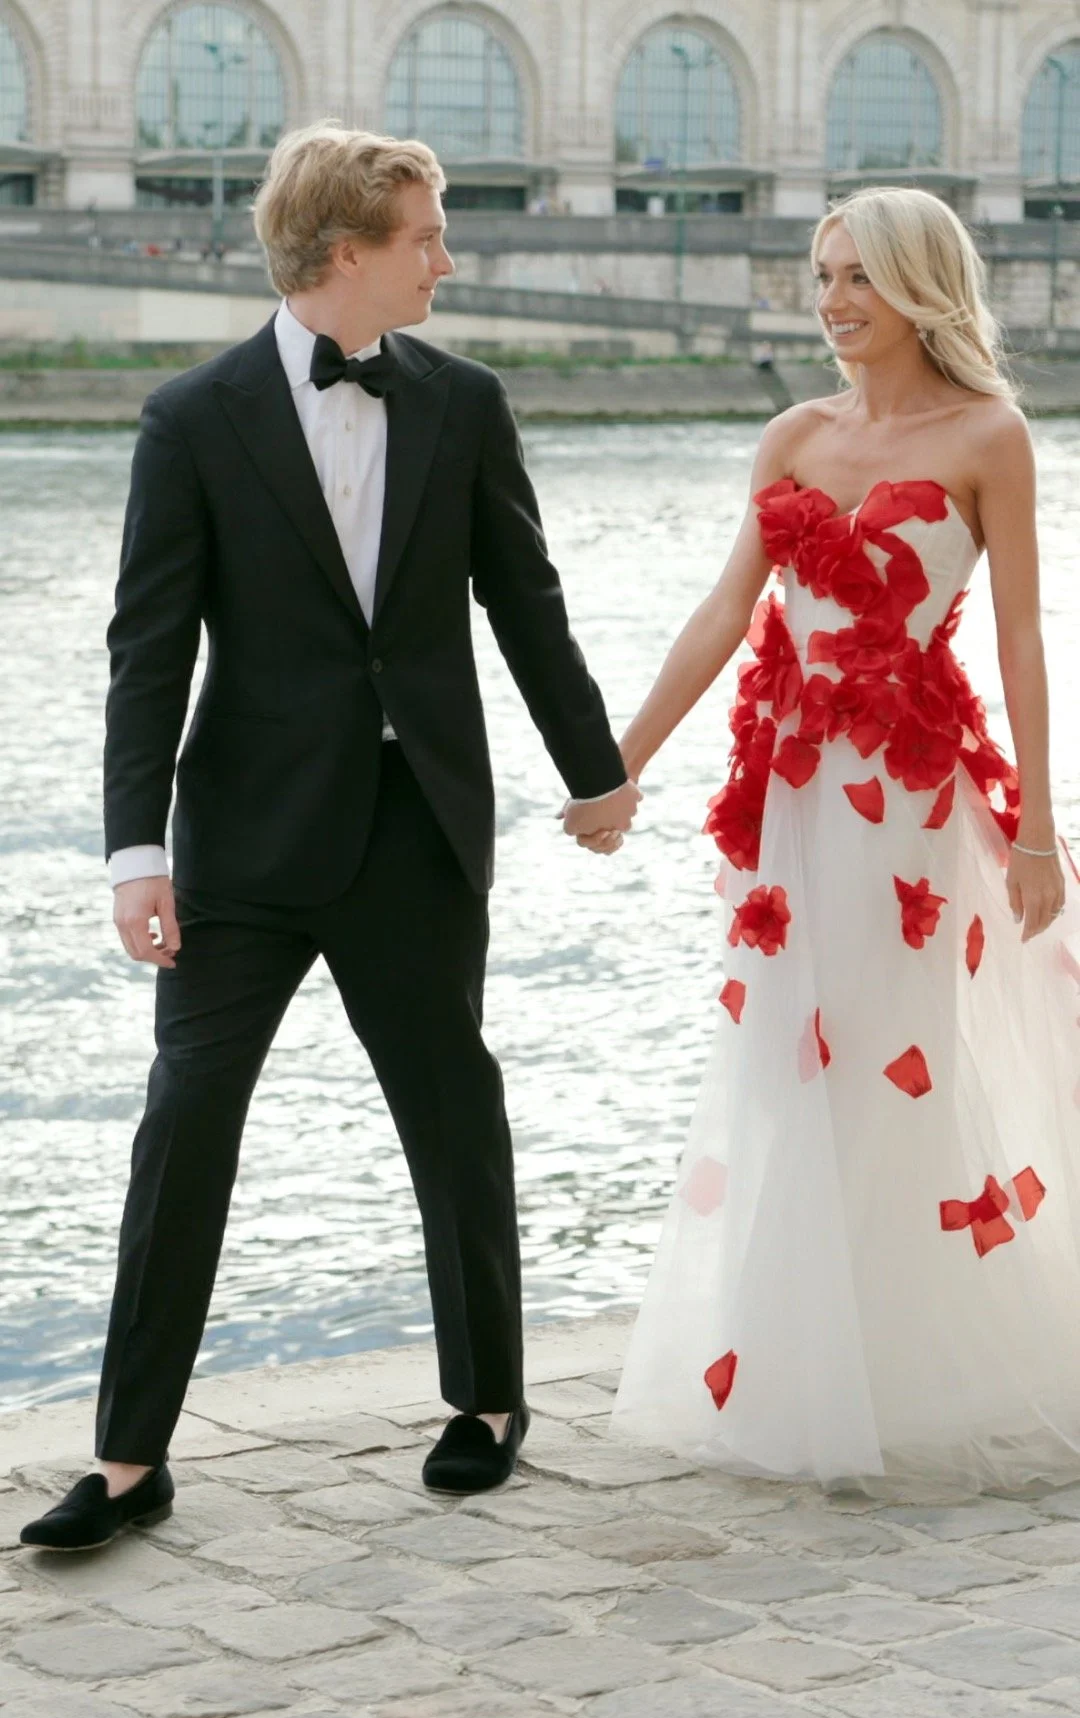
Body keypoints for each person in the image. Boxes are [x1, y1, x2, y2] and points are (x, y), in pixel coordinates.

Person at [20, 123, 638, 1553]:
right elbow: (146, 650)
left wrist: (594, 773)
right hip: (239, 844)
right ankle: (127, 1459)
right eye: (427, 235)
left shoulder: (466, 403)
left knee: (451, 1116)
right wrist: (135, 855)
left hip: (417, 828)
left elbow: (524, 603)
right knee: (184, 1127)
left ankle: (487, 1403)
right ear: (345, 251)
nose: (448, 258)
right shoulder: (192, 418)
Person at [608, 187, 1080, 1493]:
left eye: (857, 278)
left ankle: (900, 1368)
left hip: (916, 809)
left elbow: (1026, 640)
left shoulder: (991, 434)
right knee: (786, 1069)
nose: (832, 303)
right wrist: (621, 765)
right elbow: (721, 615)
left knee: (891, 1056)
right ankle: (803, 1359)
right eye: (822, 277)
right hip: (792, 800)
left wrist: (1038, 830)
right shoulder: (793, 435)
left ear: (919, 286)